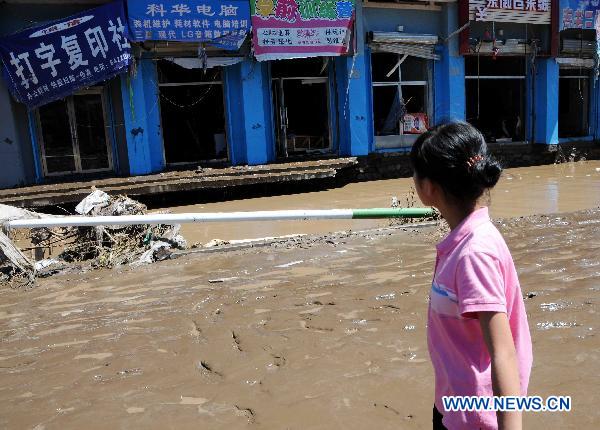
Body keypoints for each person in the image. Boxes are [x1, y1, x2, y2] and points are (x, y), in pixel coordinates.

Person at [410, 122, 533, 429]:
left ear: (428, 188)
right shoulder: (465, 240)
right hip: (453, 404)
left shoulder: (474, 254)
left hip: (475, 418)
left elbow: (504, 353)